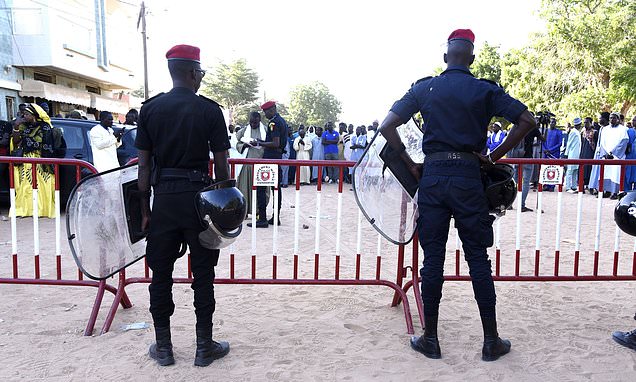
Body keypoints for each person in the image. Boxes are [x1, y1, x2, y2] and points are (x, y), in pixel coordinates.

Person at [378, 29, 536, 361]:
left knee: (432, 259)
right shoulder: (484, 90)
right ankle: (491, 341)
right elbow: (526, 120)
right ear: (473, 59)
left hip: (433, 178)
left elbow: (387, 126)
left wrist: (409, 162)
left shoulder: (425, 87)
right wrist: (494, 157)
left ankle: (430, 339)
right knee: (478, 258)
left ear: (446, 57)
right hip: (469, 179)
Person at [135, 44, 231, 367]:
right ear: (192, 73)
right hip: (198, 201)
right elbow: (222, 169)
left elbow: (143, 169)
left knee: (160, 274)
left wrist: (146, 212)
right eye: (200, 73)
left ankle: (163, 348)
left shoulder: (150, 110)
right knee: (203, 274)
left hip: (163, 200)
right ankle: (204, 346)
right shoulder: (210, 111)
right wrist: (222, 209)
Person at [9, 103, 57, 218]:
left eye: (26, 114)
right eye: (23, 114)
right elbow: (15, 142)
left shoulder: (44, 127)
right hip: (25, 161)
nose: (24, 116)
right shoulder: (23, 126)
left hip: (40, 161)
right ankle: (26, 210)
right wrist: (16, 127)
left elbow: (46, 144)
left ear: (34, 115)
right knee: (25, 186)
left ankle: (41, 210)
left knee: (41, 185)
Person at [254, 100, 288, 227]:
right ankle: (275, 217)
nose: (265, 114)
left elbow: (275, 143)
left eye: (266, 111)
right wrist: (262, 141)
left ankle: (262, 218)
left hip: (270, 157)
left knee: (261, 186)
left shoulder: (274, 122)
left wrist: (259, 143)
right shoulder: (281, 121)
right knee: (276, 188)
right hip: (277, 156)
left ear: (272, 109)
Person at [589, 112, 629, 199]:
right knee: (605, 173)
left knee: (615, 174)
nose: (612, 120)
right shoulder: (604, 129)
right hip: (606, 156)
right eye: (610, 118)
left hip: (616, 156)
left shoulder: (623, 129)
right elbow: (602, 143)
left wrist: (613, 154)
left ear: (618, 119)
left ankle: (614, 192)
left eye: (614, 118)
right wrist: (606, 153)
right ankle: (605, 191)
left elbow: (624, 142)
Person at [236, 111, 266, 214]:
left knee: (261, 191)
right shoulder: (244, 131)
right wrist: (245, 145)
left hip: (261, 165)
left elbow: (269, 144)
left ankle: (258, 211)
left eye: (255, 123)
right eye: (251, 122)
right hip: (247, 166)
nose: (253, 125)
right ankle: (245, 210)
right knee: (244, 189)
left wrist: (260, 142)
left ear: (259, 121)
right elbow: (236, 143)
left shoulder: (265, 130)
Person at [563, 117, 582, 193]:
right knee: (570, 170)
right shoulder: (573, 132)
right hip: (572, 154)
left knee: (575, 170)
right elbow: (569, 143)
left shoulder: (577, 132)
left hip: (577, 154)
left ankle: (574, 186)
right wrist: (566, 154)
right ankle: (568, 187)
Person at [580, 117, 598, 193]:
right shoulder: (583, 132)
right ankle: (582, 187)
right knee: (583, 170)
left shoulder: (595, 132)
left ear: (591, 123)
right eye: (584, 123)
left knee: (590, 170)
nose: (585, 124)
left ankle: (591, 187)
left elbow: (596, 144)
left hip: (591, 154)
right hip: (583, 153)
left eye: (586, 122)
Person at [624, 115, 636, 191]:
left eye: (634, 120)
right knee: (627, 178)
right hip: (629, 157)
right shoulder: (629, 131)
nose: (633, 122)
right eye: (632, 120)